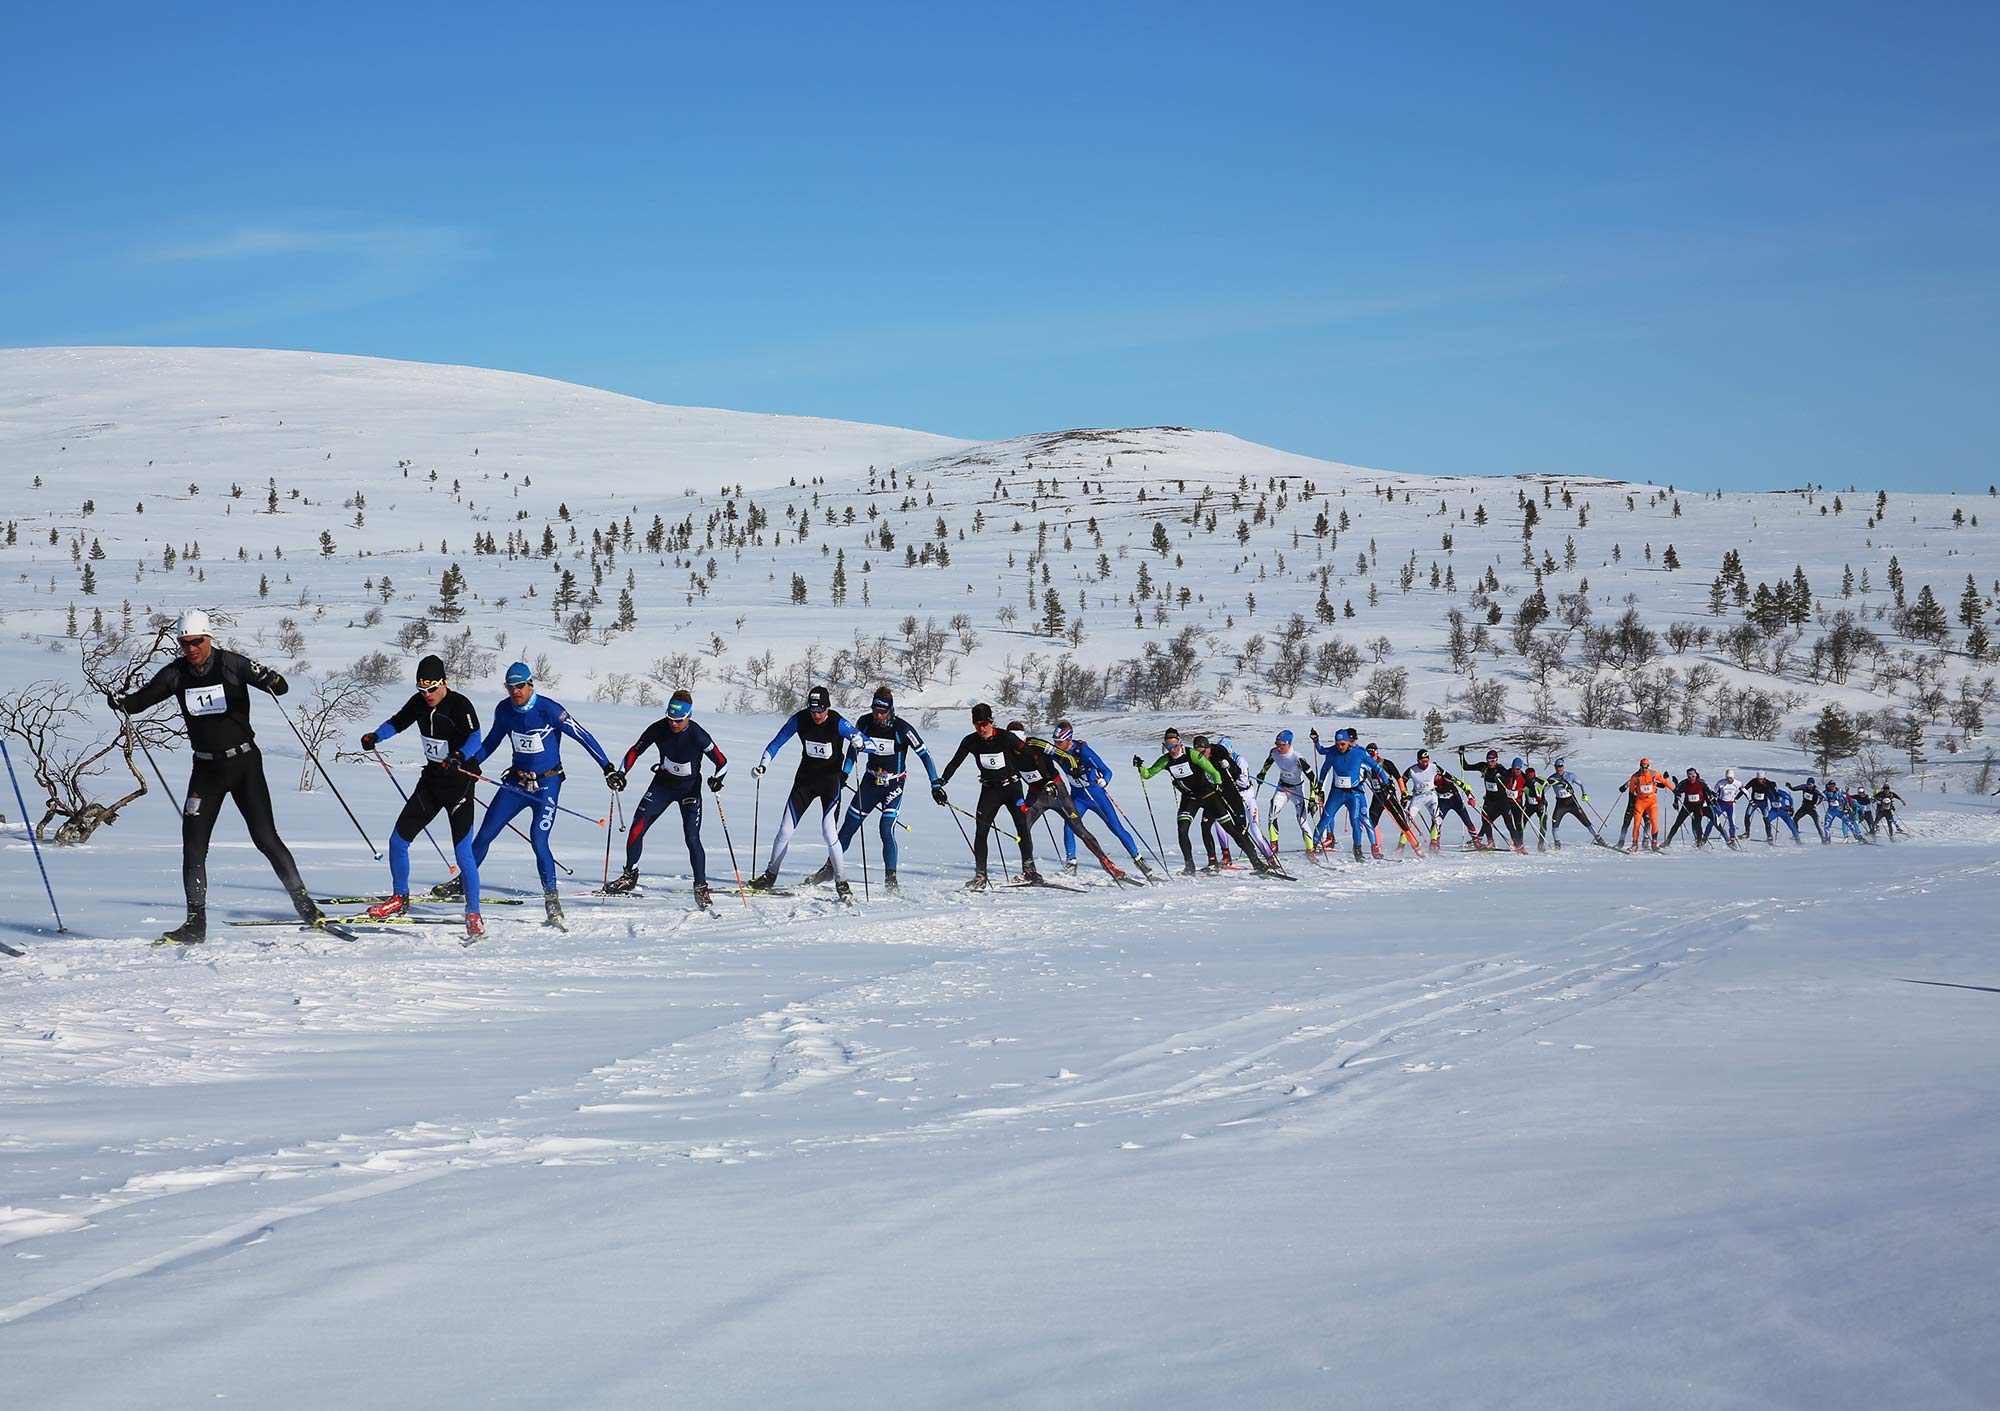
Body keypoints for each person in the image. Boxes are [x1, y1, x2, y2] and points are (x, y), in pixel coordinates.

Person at [105, 609, 324, 945]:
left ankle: (304, 904)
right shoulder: (176, 674)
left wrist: (272, 680)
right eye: (184, 643)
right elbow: (139, 703)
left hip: (244, 764)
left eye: (196, 642)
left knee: (265, 837)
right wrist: (121, 702)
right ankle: (195, 923)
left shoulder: (232, 664)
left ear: (208, 638)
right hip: (206, 770)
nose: (190, 649)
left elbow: (281, 687)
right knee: (193, 846)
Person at [460, 660, 620, 929]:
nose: (515, 692)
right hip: (516, 783)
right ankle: (464, 881)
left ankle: (552, 898)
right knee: (486, 833)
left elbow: (583, 735)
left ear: (530, 684)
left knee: (538, 839)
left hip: (547, 784)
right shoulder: (504, 710)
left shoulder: (549, 710)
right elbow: (492, 741)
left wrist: (607, 767)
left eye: (520, 686)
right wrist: (472, 763)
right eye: (510, 687)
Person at [359, 652, 484, 936]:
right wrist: (376, 736)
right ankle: (399, 898)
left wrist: (459, 756)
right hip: (432, 782)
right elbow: (397, 721)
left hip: (459, 782)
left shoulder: (460, 704)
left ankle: (473, 913)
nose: (427, 694)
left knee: (463, 852)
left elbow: (475, 737)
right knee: (397, 840)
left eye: (431, 688)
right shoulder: (418, 703)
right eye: (422, 689)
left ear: (444, 682)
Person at [804, 686, 936, 893]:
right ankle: (829, 869)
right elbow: (852, 749)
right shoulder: (864, 722)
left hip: (894, 783)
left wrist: (935, 783)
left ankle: (890, 877)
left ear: (890, 710)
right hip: (870, 781)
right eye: (875, 710)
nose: (878, 715)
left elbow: (925, 754)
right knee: (848, 826)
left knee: (885, 828)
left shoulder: (903, 729)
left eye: (882, 712)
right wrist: (845, 772)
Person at [606, 688, 727, 906]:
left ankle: (701, 886)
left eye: (678, 720)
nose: (673, 724)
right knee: (636, 829)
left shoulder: (698, 735)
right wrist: (621, 774)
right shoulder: (659, 728)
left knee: (691, 837)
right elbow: (635, 750)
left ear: (688, 716)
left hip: (689, 790)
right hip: (663, 785)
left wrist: (717, 779)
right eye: (670, 718)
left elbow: (722, 762)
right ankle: (629, 875)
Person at [748, 685, 858, 900]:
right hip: (805, 781)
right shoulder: (800, 719)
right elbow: (775, 744)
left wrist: (860, 741)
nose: (816, 715)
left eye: (820, 711)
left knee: (829, 831)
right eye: (813, 710)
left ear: (828, 708)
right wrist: (763, 765)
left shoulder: (837, 722)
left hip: (830, 783)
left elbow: (865, 742)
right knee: (785, 831)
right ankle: (770, 876)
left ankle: (841, 881)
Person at [1010, 722, 1128, 881]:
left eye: (1018, 740)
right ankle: (1029, 871)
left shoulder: (1035, 743)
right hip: (1036, 796)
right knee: (1023, 828)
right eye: (1011, 741)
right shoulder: (1007, 752)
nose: (1016, 745)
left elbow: (1065, 754)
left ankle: (1108, 864)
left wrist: (1074, 767)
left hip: (1058, 792)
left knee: (1078, 828)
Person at [1136, 727, 1262, 875]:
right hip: (1190, 798)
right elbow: (1148, 774)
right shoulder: (1165, 760)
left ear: (1180, 743)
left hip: (1208, 796)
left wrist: (1217, 783)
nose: (1172, 750)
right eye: (1169, 747)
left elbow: (1213, 772)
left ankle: (1256, 862)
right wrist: (1140, 766)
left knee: (1230, 829)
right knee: (1182, 829)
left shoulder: (1193, 755)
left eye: (1175, 746)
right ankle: (1189, 866)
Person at [936, 703, 1034, 888]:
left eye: (984, 724)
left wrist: (1037, 778)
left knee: (1022, 826)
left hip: (1012, 788)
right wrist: (941, 782)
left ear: (991, 721)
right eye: (977, 724)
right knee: (981, 831)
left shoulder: (1006, 737)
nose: (981, 728)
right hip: (990, 790)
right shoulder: (970, 741)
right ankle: (980, 876)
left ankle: (1029, 870)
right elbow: (955, 762)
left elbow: (1029, 754)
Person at [1051, 721, 1155, 878]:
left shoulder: (1083, 751)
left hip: (1096, 796)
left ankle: (1138, 859)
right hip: (1078, 798)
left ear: (1068, 739)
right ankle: (1071, 863)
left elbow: (1106, 771)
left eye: (1059, 742)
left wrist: (1104, 781)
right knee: (1069, 826)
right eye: (1055, 741)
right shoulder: (1057, 752)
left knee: (1116, 828)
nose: (1056, 745)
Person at [1316, 727, 1396, 859]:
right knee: (1329, 815)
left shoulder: (1360, 752)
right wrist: (1316, 741)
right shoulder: (1336, 749)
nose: (1350, 744)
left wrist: (1384, 783)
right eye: (1349, 741)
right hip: (1340, 790)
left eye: (1353, 740)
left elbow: (1373, 768)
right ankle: (1328, 839)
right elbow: (1322, 751)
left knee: (1364, 818)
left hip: (1358, 790)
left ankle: (1374, 847)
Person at [1255, 729, 1320, 856]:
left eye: (1282, 745)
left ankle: (1310, 849)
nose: (1279, 748)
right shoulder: (1274, 752)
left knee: (1301, 820)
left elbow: (1313, 779)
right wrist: (1262, 773)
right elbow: (1269, 761)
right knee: (1272, 814)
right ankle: (1274, 846)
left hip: (1296, 790)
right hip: (1282, 788)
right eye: (1277, 744)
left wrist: (1312, 799)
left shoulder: (1298, 758)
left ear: (1289, 744)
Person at [1457, 747, 1525, 852]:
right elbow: (1465, 767)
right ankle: (1490, 841)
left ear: (1496, 760)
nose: (1490, 763)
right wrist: (1461, 755)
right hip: (1490, 799)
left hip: (1502, 800)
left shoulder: (1501, 769)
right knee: (1485, 819)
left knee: (1509, 823)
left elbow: (1507, 778)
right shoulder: (1484, 767)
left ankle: (1518, 844)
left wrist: (1501, 778)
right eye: (1488, 760)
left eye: (1492, 761)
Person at [1619, 758, 1674, 851]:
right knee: (1636, 824)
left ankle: (1654, 843)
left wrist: (1674, 790)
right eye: (1642, 766)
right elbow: (1631, 791)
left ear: (1648, 766)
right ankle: (1634, 844)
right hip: (1640, 802)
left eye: (1646, 766)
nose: (1644, 768)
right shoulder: (1635, 777)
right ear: (1640, 766)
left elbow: (1664, 782)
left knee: (1653, 821)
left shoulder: (1653, 774)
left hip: (1651, 801)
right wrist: (1631, 803)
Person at [1543, 760, 1599, 848]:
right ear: (1555, 767)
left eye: (1561, 767)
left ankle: (1598, 838)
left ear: (1563, 767)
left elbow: (1581, 784)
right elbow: (1545, 790)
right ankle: (1557, 844)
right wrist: (1540, 798)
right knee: (1555, 823)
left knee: (1585, 820)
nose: (1559, 769)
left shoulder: (1570, 775)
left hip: (1572, 801)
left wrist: (1584, 794)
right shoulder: (1552, 778)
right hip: (1560, 803)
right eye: (1557, 767)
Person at [1399, 747, 1443, 854]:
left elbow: (1448, 776)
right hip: (1418, 797)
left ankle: (1433, 841)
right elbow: (1402, 780)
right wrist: (1404, 794)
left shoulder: (1434, 767)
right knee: (1407, 820)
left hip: (1431, 795)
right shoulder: (1412, 770)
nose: (1425, 764)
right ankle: (1401, 845)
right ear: (1418, 760)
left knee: (1436, 818)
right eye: (1423, 761)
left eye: (1427, 761)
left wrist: (1462, 785)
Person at [1663, 768, 1711, 847]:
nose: (1691, 778)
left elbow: (1707, 791)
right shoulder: (1684, 783)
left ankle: (1699, 842)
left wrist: (1710, 800)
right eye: (1689, 777)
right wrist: (1676, 801)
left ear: (1696, 775)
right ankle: (1668, 841)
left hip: (1698, 806)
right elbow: (1677, 791)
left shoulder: (1701, 783)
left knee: (1698, 824)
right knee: (1677, 823)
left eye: (1693, 776)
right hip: (1687, 806)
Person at [1789, 777, 1825, 841]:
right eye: (1808, 784)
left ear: (1813, 784)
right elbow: (1794, 789)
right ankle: (1796, 835)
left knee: (1817, 824)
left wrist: (1817, 803)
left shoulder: (1816, 790)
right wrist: (1790, 787)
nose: (1809, 786)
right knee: (1795, 819)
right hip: (1804, 807)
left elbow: (1824, 796)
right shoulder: (1804, 787)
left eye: (1810, 785)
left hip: (1813, 809)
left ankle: (1823, 838)